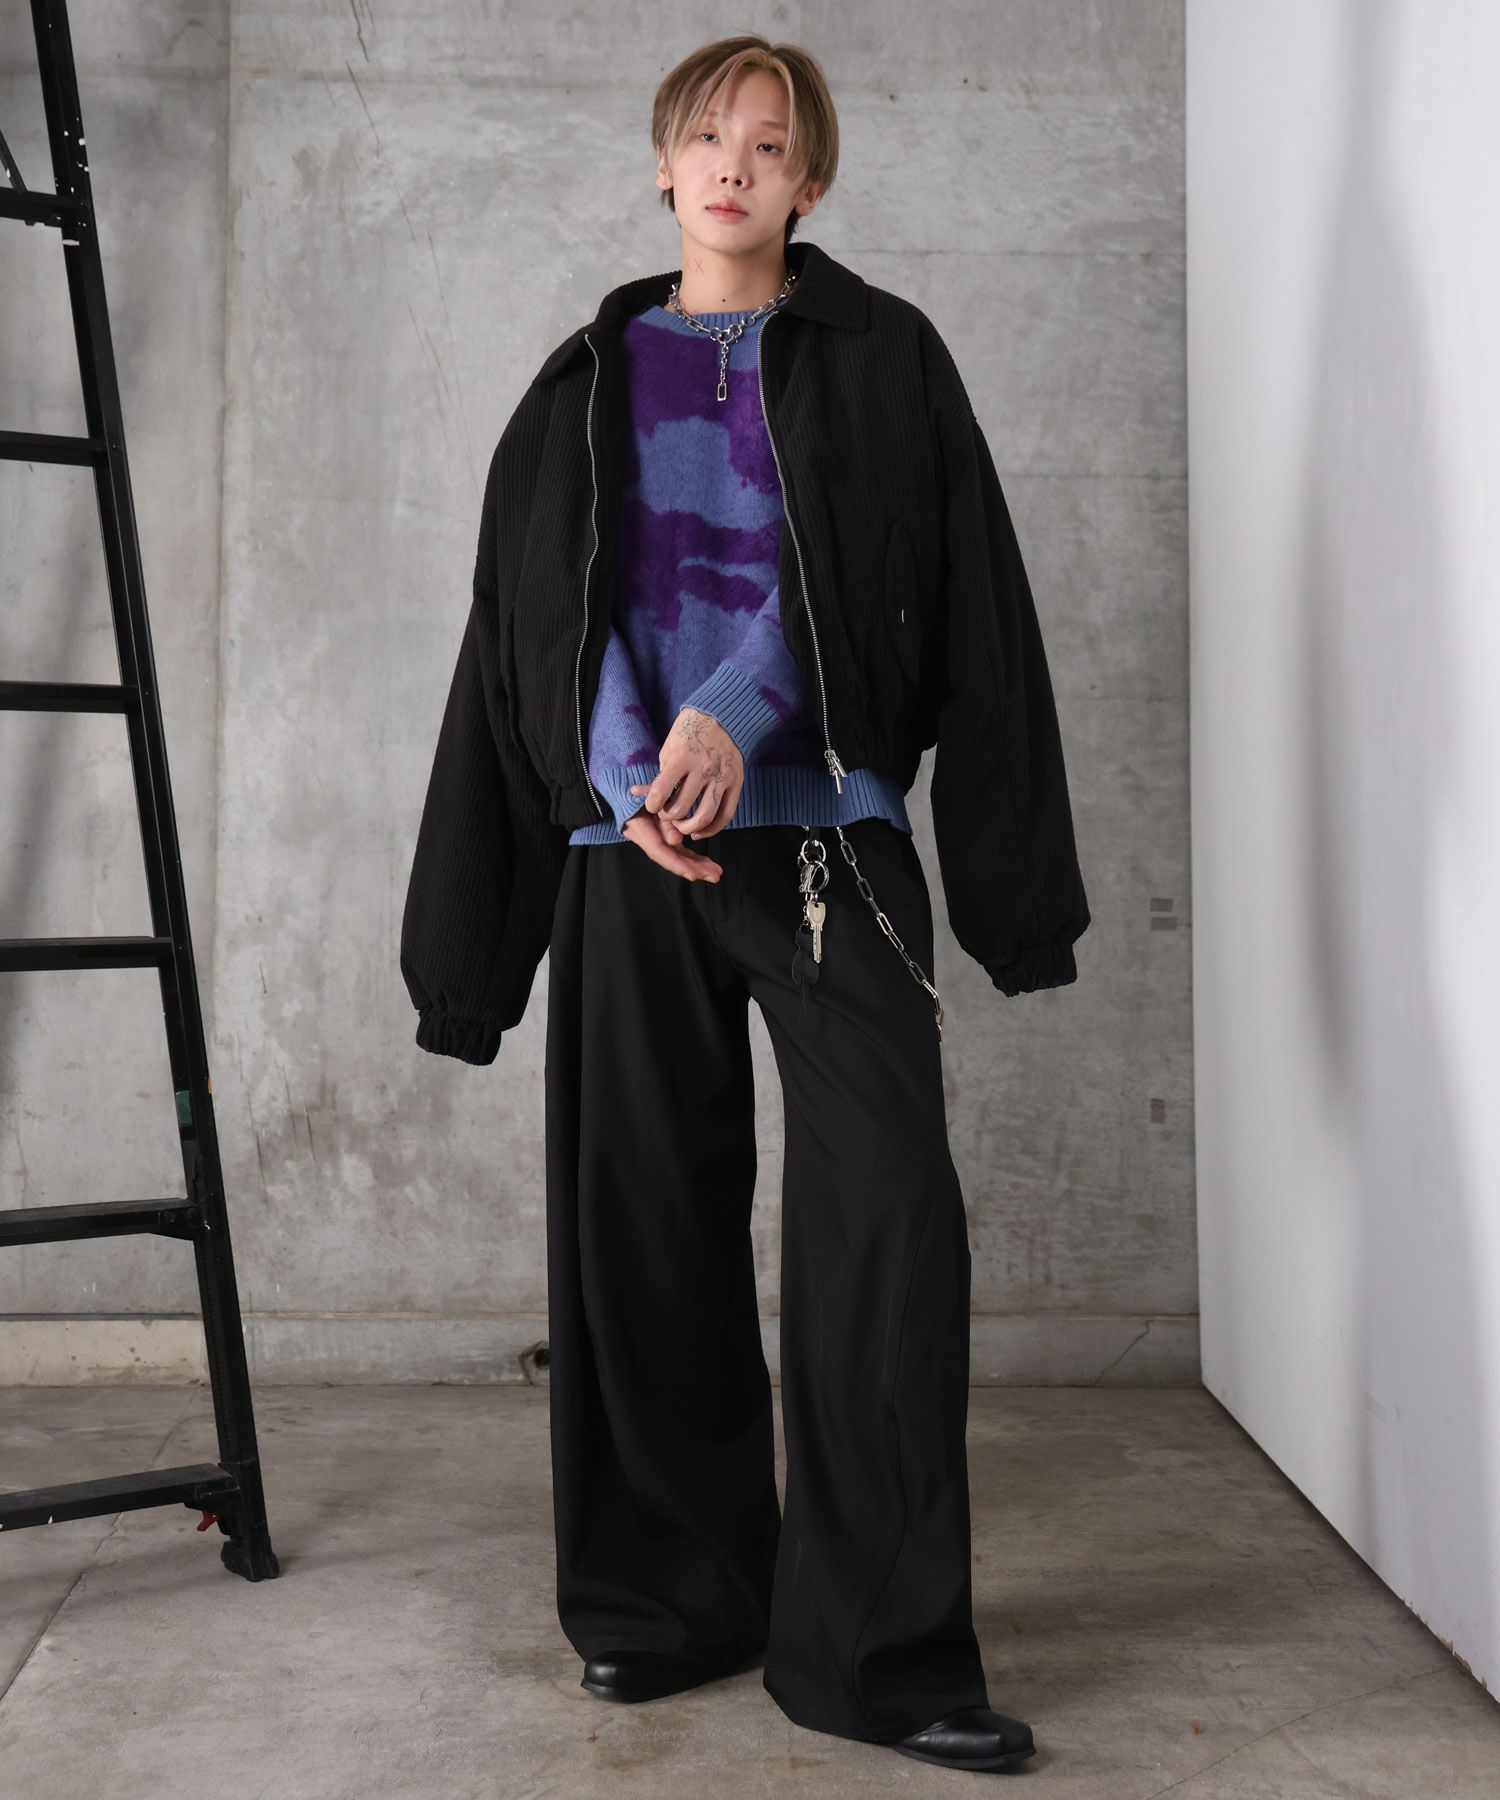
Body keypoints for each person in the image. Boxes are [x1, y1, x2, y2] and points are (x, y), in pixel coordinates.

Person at [400, 34, 1090, 1775]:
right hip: (627, 859)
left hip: (830, 846)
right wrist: (626, 772)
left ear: (811, 181)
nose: (733, 165)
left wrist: (742, 717)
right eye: (707, 135)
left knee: (888, 1227)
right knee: (640, 1238)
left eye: (769, 145)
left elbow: (938, 590)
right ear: (662, 162)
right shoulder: (580, 378)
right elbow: (527, 626)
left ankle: (883, 1658)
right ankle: (667, 1605)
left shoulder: (885, 358)